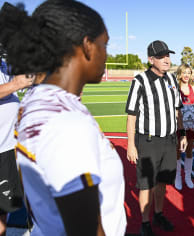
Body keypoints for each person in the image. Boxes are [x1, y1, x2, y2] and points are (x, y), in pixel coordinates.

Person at [0, 1, 127, 235]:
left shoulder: (39, 102)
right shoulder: (65, 122)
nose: (106, 54)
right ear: (87, 46)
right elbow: (85, 228)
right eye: (104, 44)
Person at [126, 40, 187, 236]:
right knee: (146, 184)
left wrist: (182, 133)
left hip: (169, 140)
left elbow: (178, 110)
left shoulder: (171, 80)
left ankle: (158, 214)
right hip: (149, 140)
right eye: (161, 56)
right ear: (151, 59)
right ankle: (145, 223)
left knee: (162, 182)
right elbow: (132, 115)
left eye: (167, 55)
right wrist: (130, 144)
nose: (166, 59)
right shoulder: (140, 81)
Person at [0, 59, 31, 235]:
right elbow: (16, 84)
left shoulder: (4, 65)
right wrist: (15, 84)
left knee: (4, 208)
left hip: (5, 148)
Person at [175, 64, 194, 190]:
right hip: (178, 125)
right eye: (184, 72)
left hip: (190, 126)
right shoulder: (175, 88)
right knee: (178, 151)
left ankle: (187, 177)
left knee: (189, 151)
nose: (186, 75)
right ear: (180, 73)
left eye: (188, 72)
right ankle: (177, 177)